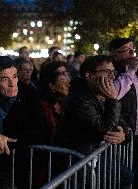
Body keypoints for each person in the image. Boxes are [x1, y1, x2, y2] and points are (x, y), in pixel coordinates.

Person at [54, 55, 133, 188]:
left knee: (125, 175)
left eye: (112, 72)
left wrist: (124, 135)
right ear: (89, 76)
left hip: (91, 157)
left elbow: (122, 123)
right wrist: (112, 100)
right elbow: (107, 129)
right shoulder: (79, 100)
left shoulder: (99, 95)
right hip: (75, 162)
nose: (112, 77)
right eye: (107, 72)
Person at [0, 56, 43, 188]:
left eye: (15, 76)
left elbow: (37, 132)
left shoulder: (30, 95)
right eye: (5, 79)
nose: (12, 83)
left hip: (23, 164)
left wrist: (5, 140)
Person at [109, 38, 138, 189]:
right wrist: (130, 71)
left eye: (132, 48)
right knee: (129, 176)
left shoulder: (136, 71)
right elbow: (114, 93)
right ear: (115, 55)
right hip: (127, 137)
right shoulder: (113, 72)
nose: (131, 52)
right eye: (126, 50)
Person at [40, 61, 70, 144]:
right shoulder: (43, 106)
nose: (67, 82)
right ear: (51, 85)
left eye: (65, 73)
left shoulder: (68, 101)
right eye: (61, 77)